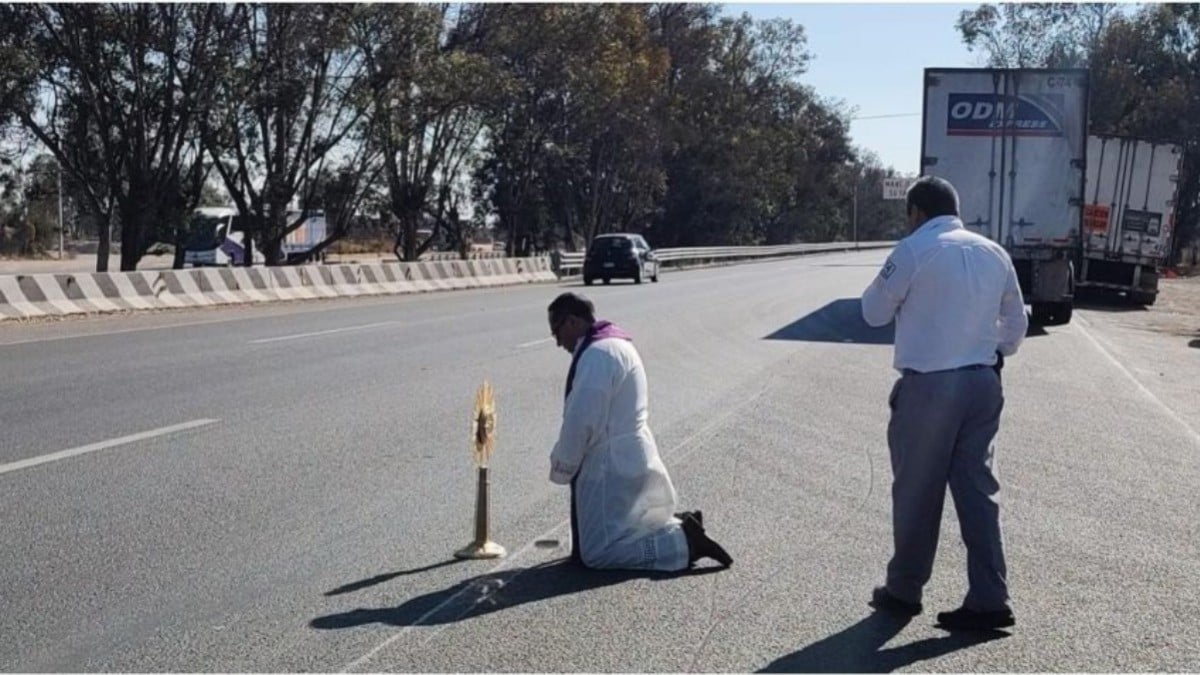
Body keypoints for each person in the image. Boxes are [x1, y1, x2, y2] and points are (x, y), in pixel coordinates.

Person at [860, 176, 1028, 631]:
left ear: (915, 212)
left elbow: (872, 312)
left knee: (917, 490)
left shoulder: (914, 249)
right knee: (979, 492)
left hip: (931, 387)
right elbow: (1017, 321)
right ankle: (990, 597)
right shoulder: (994, 252)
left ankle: (904, 589)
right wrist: (996, 351)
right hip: (982, 383)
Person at [546, 292, 732, 571]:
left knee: (598, 552)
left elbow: (582, 418)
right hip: (626, 453)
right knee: (619, 529)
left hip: (609, 463)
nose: (558, 342)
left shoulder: (597, 354)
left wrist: (563, 465)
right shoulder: (615, 345)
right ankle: (680, 527)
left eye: (556, 331)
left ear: (572, 322)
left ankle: (682, 541)